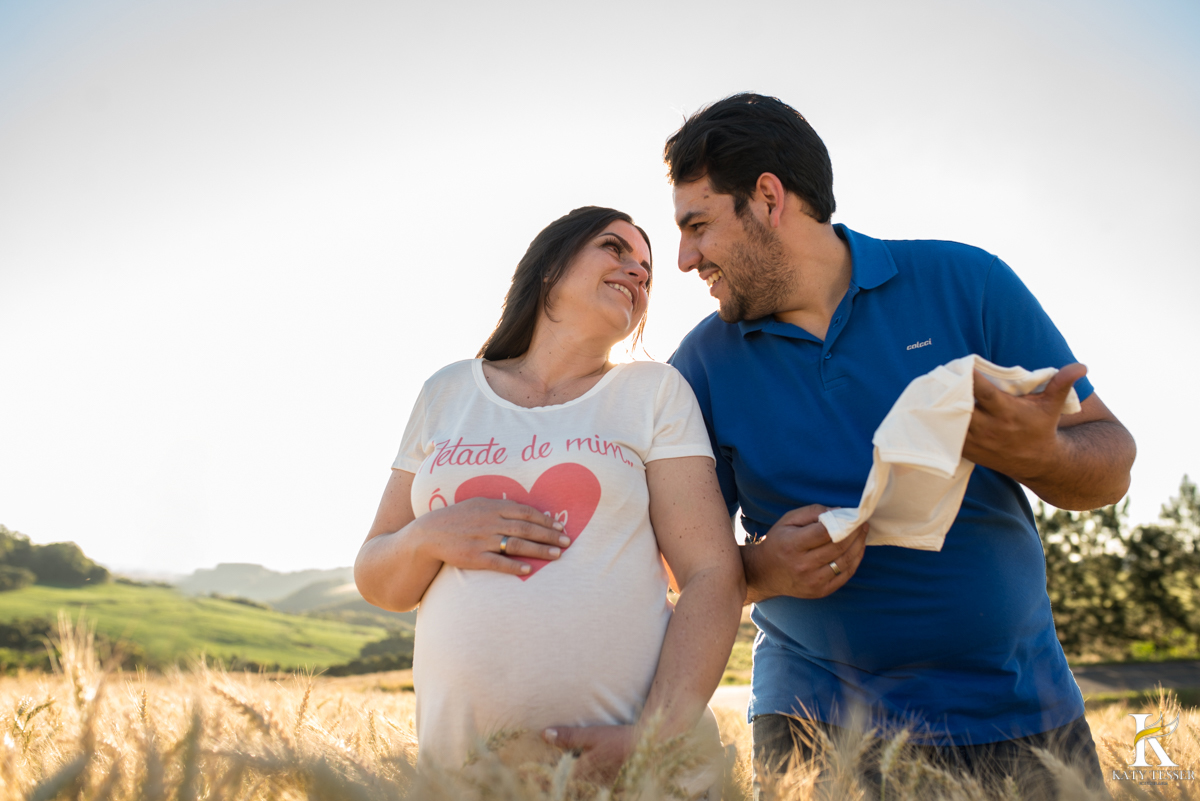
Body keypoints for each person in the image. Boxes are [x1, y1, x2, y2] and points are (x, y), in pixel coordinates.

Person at [662, 94, 1135, 798]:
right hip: (815, 726)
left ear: (767, 198)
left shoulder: (967, 284)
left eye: (698, 225)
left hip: (1023, 710)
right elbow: (674, 565)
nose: (684, 258)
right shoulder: (698, 368)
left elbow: (1112, 463)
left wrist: (1042, 456)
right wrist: (762, 566)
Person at [354, 206, 745, 790]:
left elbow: (712, 574)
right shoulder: (448, 392)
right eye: (614, 248)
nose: (638, 271)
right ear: (548, 268)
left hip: (636, 776)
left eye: (647, 268)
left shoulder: (653, 392)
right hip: (468, 780)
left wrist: (654, 737)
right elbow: (378, 579)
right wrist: (429, 536)